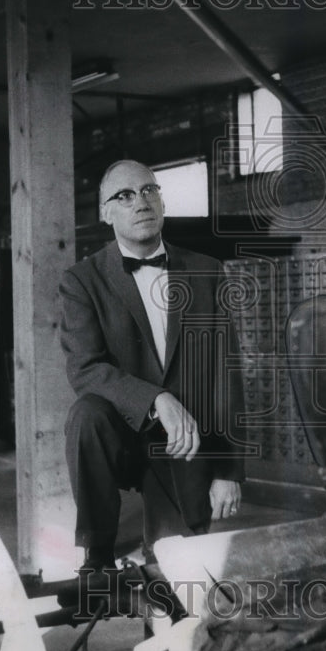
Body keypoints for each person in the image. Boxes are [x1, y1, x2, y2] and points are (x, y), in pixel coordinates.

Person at [59, 159, 245, 571]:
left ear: (161, 200)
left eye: (149, 191)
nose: (140, 202)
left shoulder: (207, 272)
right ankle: (98, 552)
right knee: (85, 413)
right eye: (124, 196)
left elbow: (224, 374)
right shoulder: (81, 281)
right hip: (121, 437)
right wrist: (156, 399)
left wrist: (228, 469)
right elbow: (86, 368)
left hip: (187, 443)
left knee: (174, 578)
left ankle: (166, 629)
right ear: (106, 212)